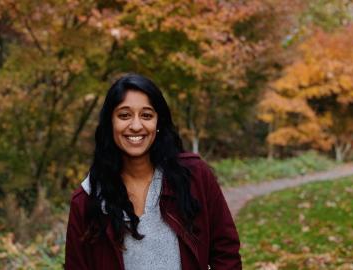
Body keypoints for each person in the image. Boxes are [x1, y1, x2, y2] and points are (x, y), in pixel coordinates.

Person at [65, 74, 241, 270]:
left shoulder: (193, 176)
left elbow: (226, 252)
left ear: (158, 123)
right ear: (110, 123)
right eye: (124, 115)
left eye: (146, 115)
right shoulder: (87, 200)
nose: (136, 126)